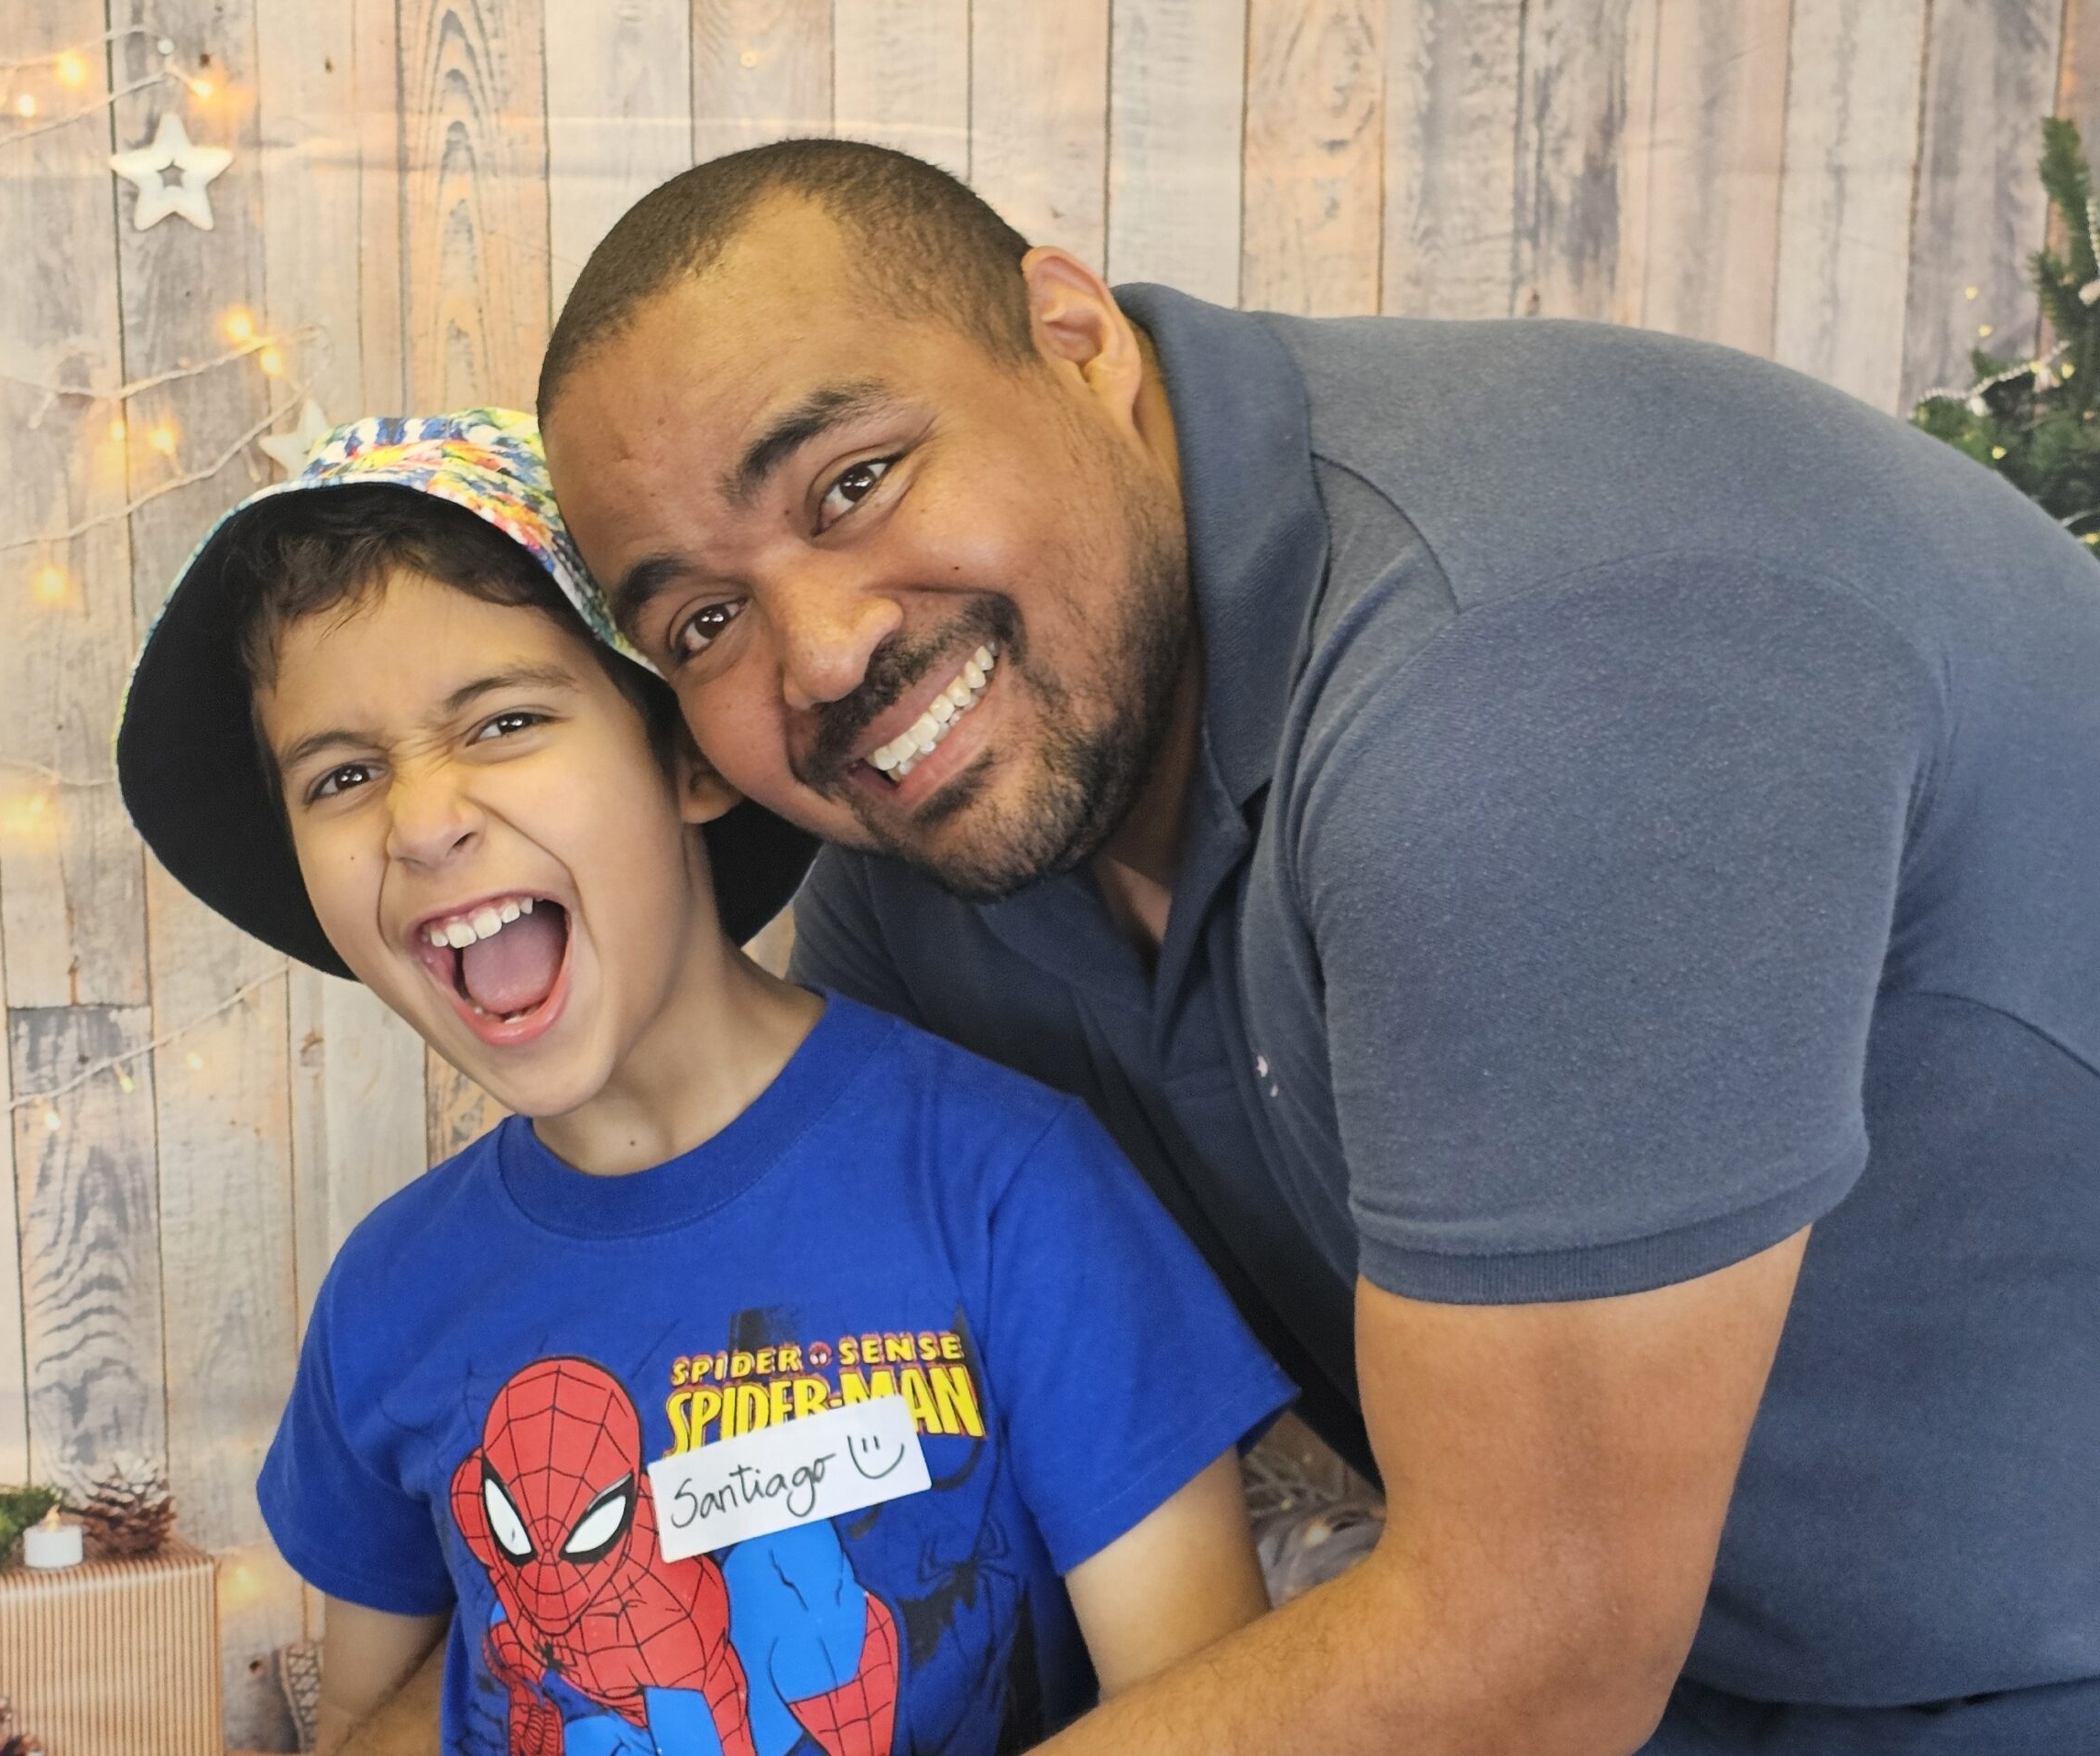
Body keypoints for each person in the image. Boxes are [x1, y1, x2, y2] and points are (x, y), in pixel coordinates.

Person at [532, 140, 2100, 1755]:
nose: (822, 652)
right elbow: (838, 1405)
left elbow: (1532, 1650)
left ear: (1075, 339)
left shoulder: (1522, 672)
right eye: (702, 623)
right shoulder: (940, 834)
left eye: (855, 482)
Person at [113, 410, 1293, 1755]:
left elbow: (1219, 1717)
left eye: (505, 721)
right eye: (343, 775)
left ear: (687, 756)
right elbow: (368, 1715)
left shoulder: (1012, 1192)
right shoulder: (388, 1295)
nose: (422, 821)